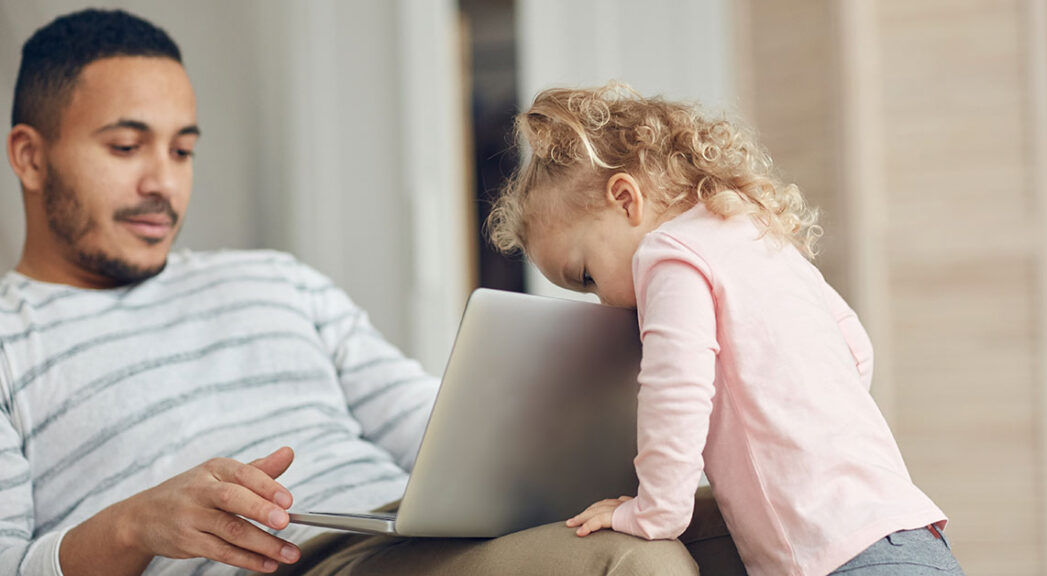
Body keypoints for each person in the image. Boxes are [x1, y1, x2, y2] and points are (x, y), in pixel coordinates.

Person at [0, 9, 737, 576]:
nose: (163, 181)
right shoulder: (10, 336)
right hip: (298, 565)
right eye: (126, 148)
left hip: (397, 539)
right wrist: (132, 525)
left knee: (755, 523)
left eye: (182, 150)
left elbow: (432, 427)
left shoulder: (276, 280)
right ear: (30, 157)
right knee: (634, 560)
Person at [486, 82, 967, 576]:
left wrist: (654, 510)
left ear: (626, 200)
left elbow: (677, 392)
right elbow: (855, 348)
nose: (603, 299)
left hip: (842, 558)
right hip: (909, 534)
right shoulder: (754, 231)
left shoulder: (669, 255)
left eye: (585, 276)